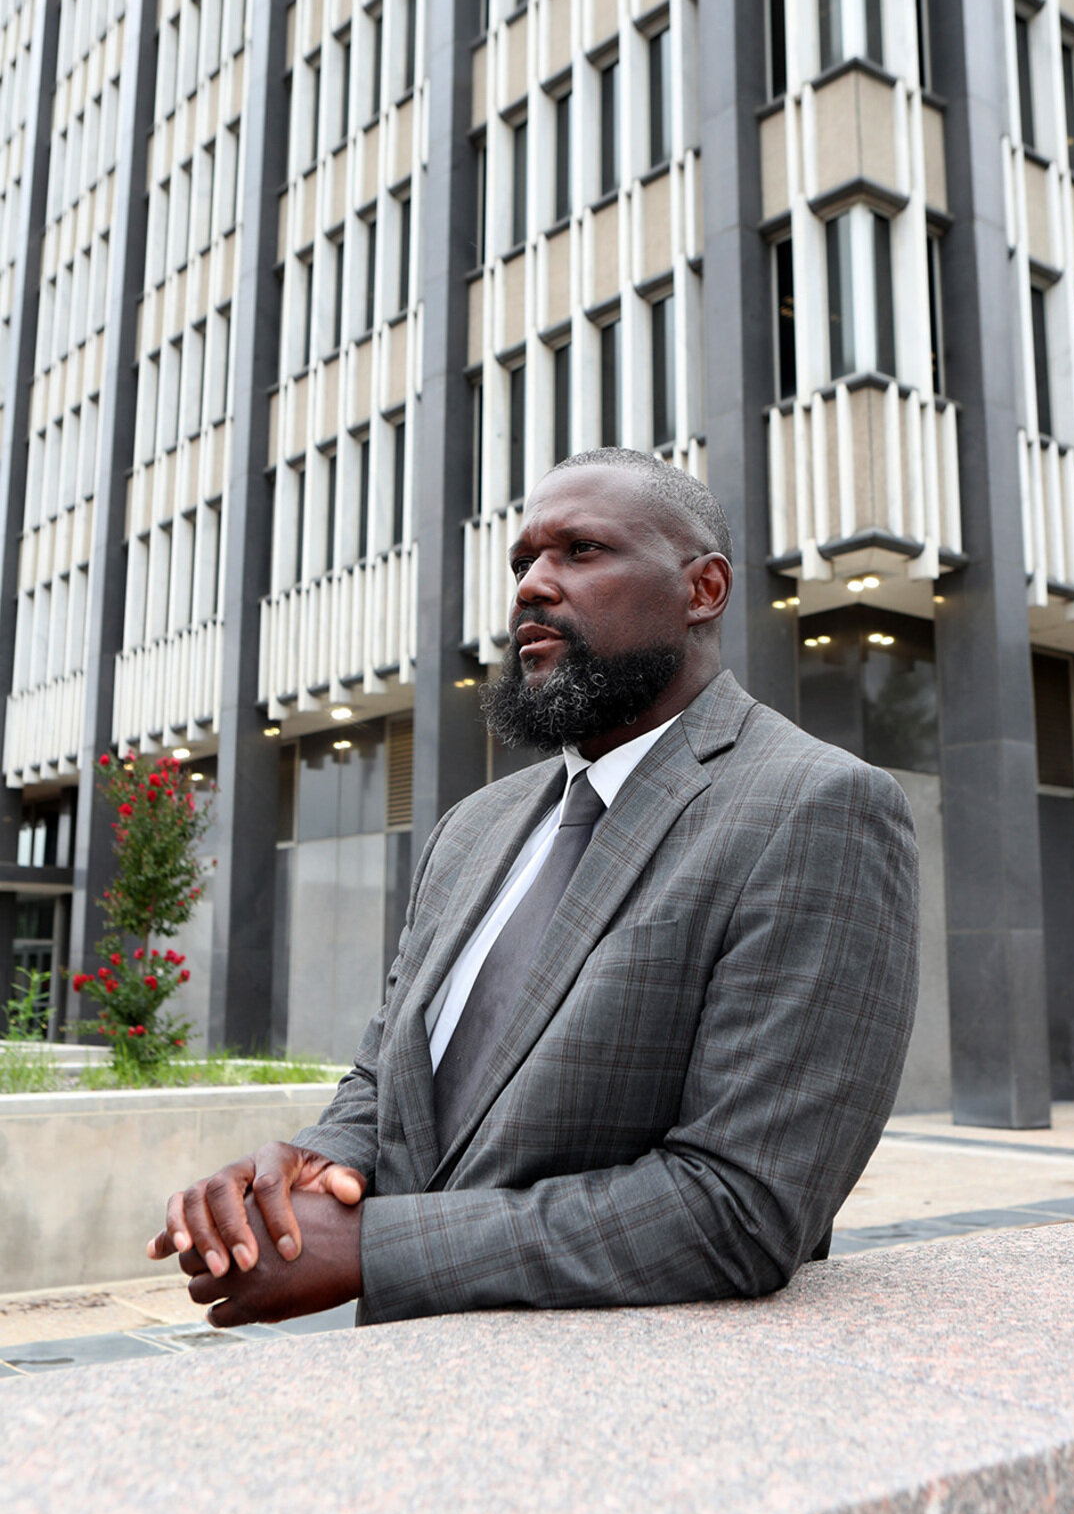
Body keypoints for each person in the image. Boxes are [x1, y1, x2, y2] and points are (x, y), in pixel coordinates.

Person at [148, 449, 919, 1327]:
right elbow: (389, 1074)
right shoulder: (473, 828)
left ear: (703, 589)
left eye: (581, 551)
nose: (531, 588)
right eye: (523, 562)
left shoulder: (817, 808)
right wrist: (307, 1173)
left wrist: (373, 1247)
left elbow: (741, 1208)